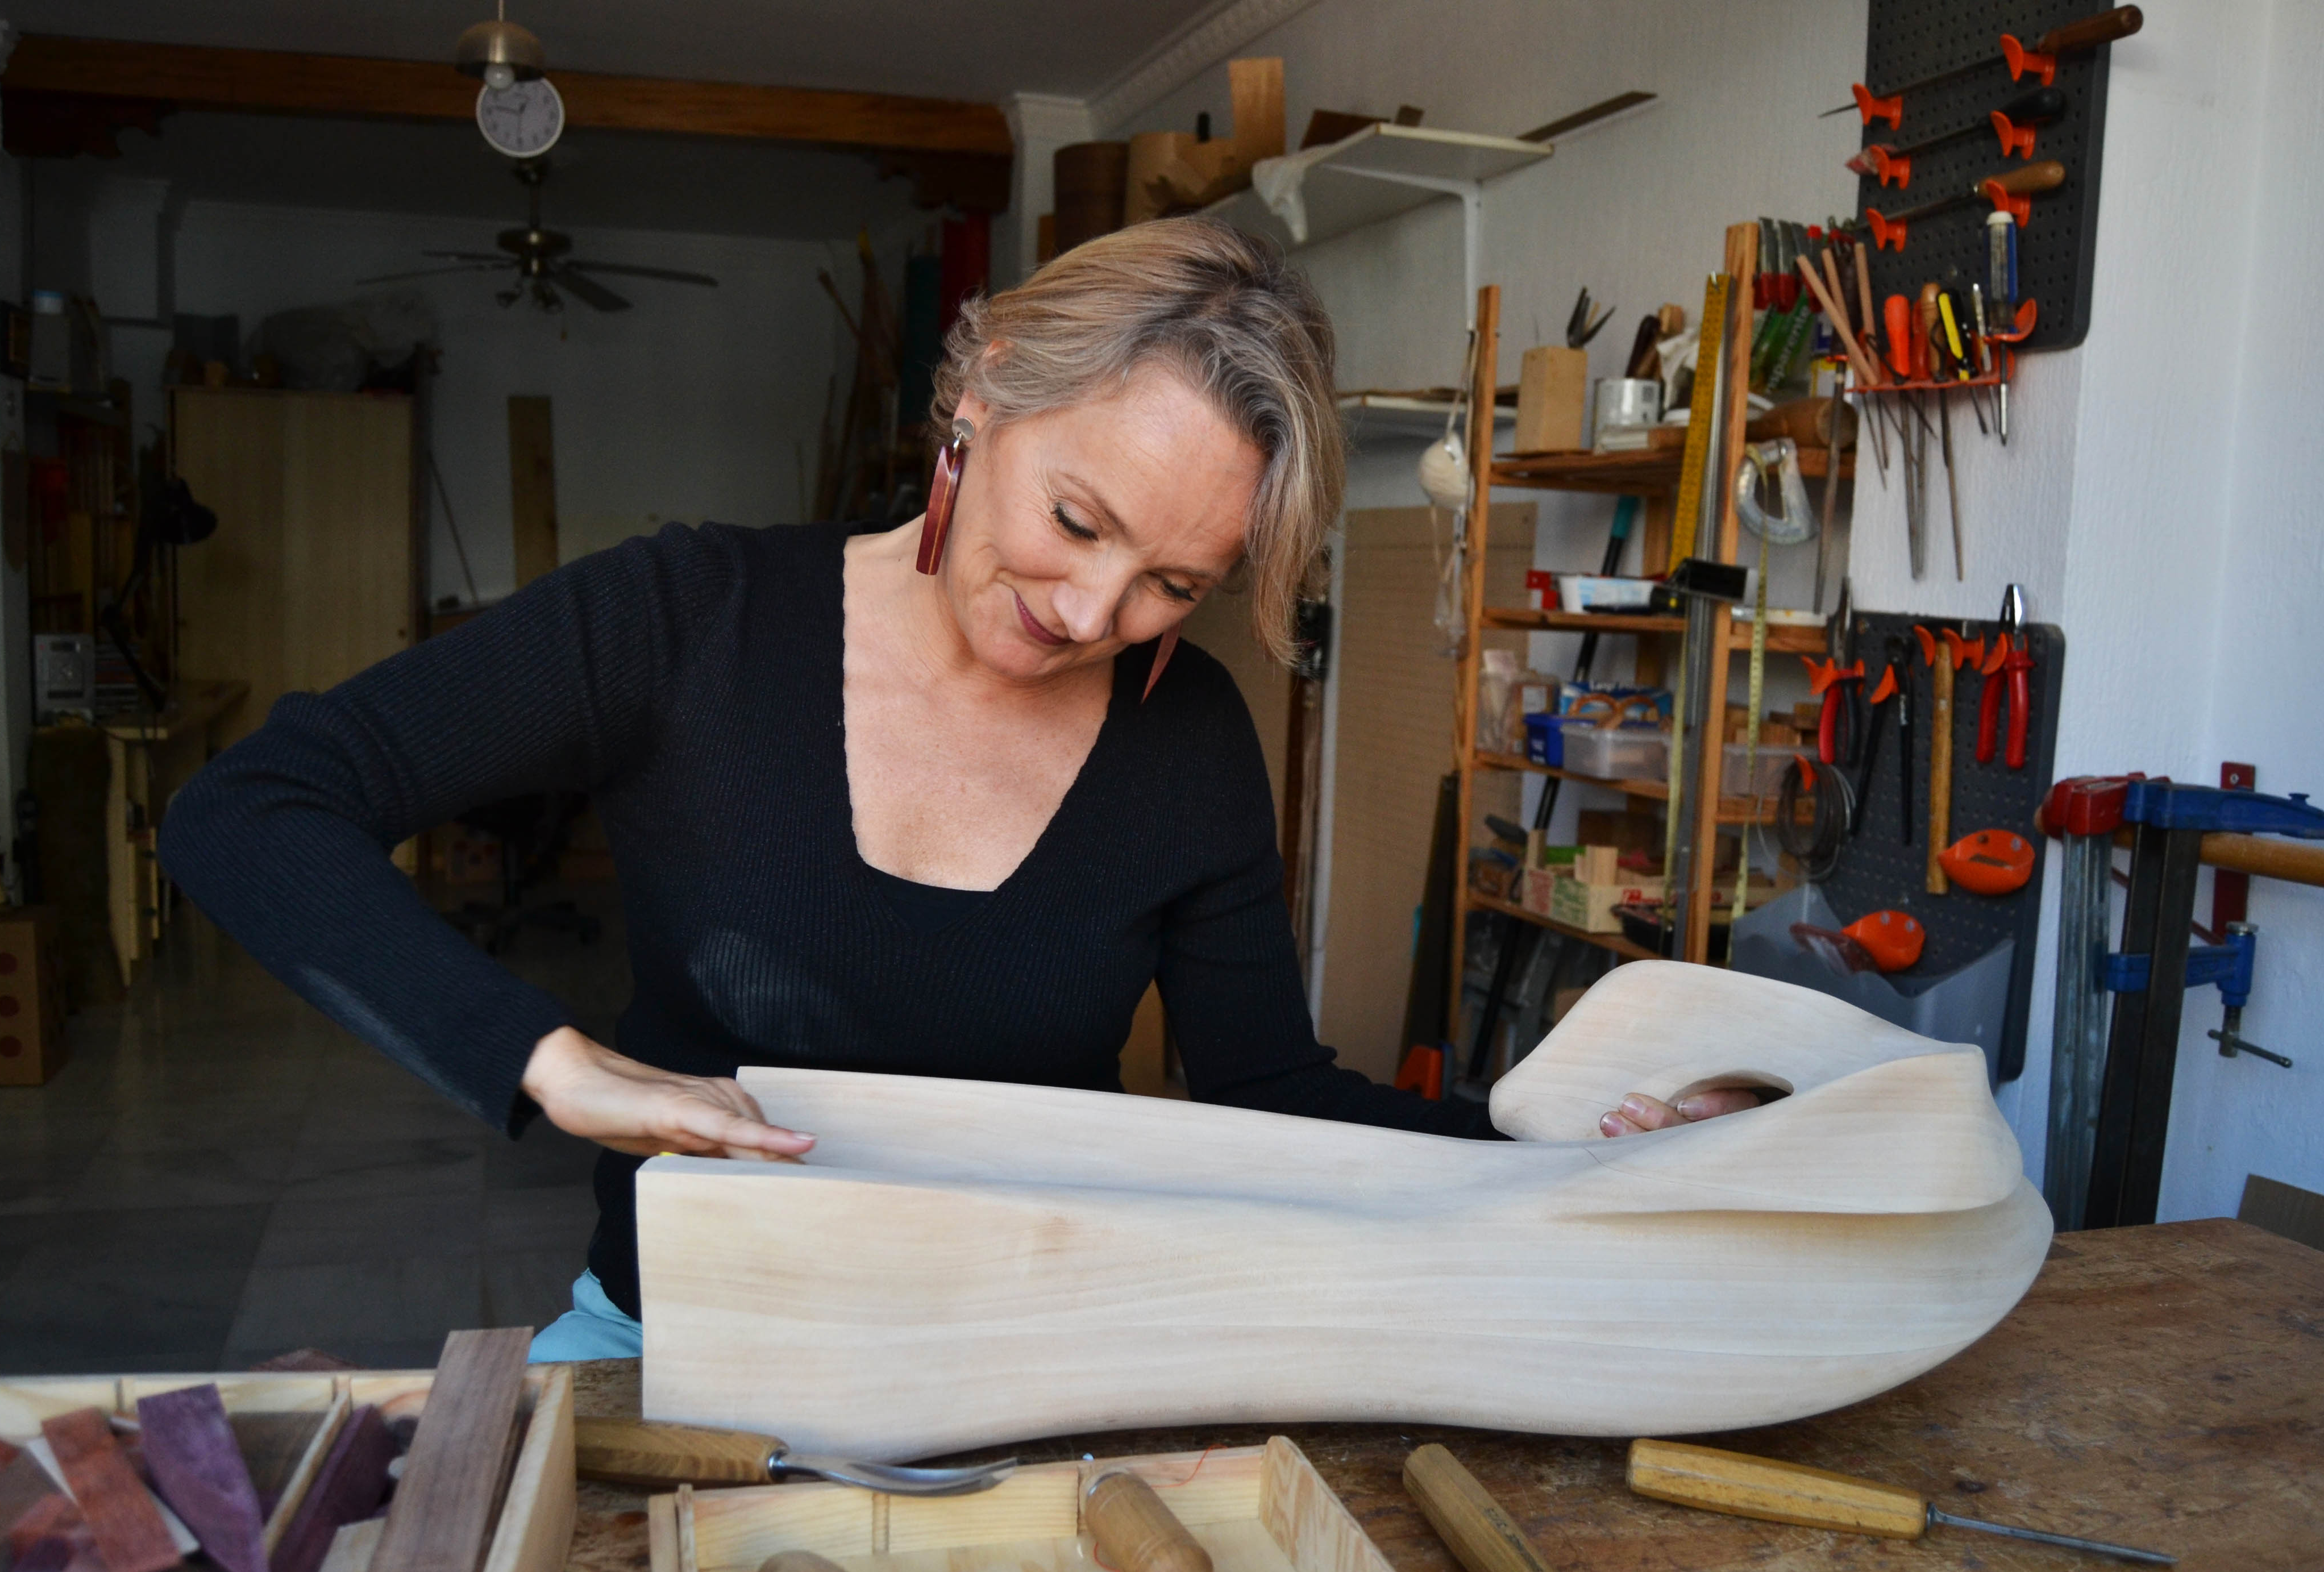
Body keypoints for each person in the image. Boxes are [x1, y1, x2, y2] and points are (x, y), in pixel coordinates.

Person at [161, 218, 1749, 1362]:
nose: (1089, 612)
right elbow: (252, 807)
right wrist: (544, 1056)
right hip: (682, 1347)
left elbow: (1267, 1095)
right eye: (1076, 517)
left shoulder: (1187, 737)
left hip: (1034, 1356)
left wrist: (1560, 1150)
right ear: (980, 385)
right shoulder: (683, 620)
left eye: (1169, 583)